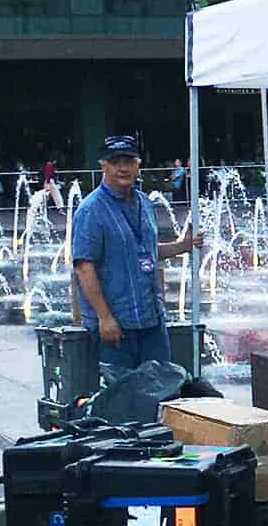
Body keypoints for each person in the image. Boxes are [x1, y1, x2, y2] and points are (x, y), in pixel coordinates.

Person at [71, 135, 202, 370]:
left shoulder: (144, 203)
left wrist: (183, 246)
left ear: (138, 164)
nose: (123, 168)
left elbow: (147, 252)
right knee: (122, 400)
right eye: (116, 162)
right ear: (103, 165)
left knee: (159, 391)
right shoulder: (91, 210)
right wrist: (104, 317)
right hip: (117, 327)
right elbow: (84, 267)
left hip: (151, 322)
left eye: (129, 161)